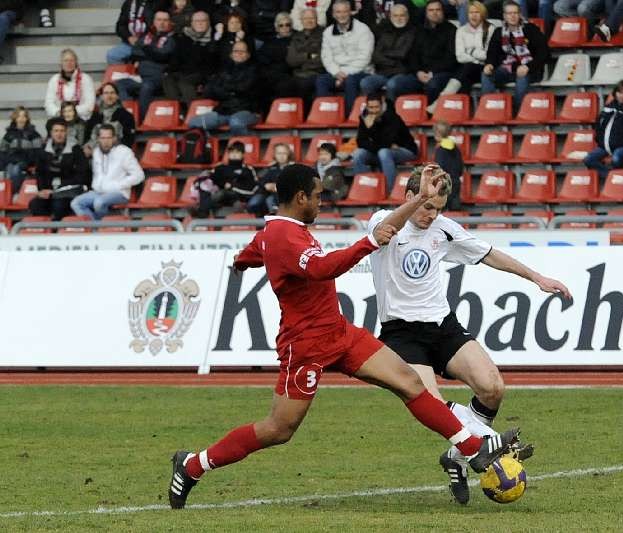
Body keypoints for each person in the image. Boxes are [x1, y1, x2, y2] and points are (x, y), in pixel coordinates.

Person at [168, 163, 521, 510]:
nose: (322, 203)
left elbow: (255, 250)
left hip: (339, 332)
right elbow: (323, 268)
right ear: (301, 196)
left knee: (410, 382)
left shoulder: (277, 231)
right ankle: (193, 464)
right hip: (305, 345)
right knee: (279, 429)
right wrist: (368, 242)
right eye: (318, 196)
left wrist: (239, 262)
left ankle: (473, 447)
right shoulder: (285, 236)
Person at [366, 166, 570, 505]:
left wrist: (536, 277)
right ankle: (488, 440)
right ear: (409, 198)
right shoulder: (382, 222)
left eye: (439, 208)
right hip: (402, 333)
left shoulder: (444, 230)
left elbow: (488, 254)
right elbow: (386, 228)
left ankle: (457, 457)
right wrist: (418, 199)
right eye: (427, 206)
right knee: (430, 403)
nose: (432, 215)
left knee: (492, 387)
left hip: (442, 326)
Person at [388, 0, 458, 109]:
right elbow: (412, 56)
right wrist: (418, 72)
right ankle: (393, 115)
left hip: (441, 73)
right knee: (394, 84)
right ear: (426, 13)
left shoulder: (452, 30)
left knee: (433, 85)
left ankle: (427, 114)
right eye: (431, 10)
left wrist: (433, 73)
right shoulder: (419, 30)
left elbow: (451, 58)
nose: (434, 13)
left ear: (443, 12)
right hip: (419, 74)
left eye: (438, 10)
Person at [482, 0, 548, 110]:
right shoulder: (499, 32)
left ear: (520, 14)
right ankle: (488, 109)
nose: (512, 16)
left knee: (522, 76)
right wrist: (489, 64)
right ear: (504, 16)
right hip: (508, 69)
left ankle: (517, 112)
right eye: (509, 13)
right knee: (486, 74)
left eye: (515, 13)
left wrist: (528, 67)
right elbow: (492, 53)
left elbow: (544, 53)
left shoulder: (531, 29)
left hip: (531, 69)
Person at [71, 125, 144, 220]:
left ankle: (98, 228)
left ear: (114, 138)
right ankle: (96, 229)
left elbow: (139, 175)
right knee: (76, 203)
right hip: (98, 192)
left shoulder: (124, 152)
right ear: (98, 139)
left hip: (119, 193)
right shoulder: (96, 152)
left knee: (99, 202)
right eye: (103, 138)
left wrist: (119, 185)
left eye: (109, 138)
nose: (106, 141)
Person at [116, 10, 176, 122]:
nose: (162, 23)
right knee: (120, 83)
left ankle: (142, 121)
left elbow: (162, 56)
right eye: (159, 20)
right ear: (154, 21)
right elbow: (135, 53)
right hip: (140, 76)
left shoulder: (172, 39)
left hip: (158, 78)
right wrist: (151, 52)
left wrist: (146, 50)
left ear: (169, 22)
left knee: (146, 87)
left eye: (165, 20)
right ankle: (128, 114)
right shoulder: (146, 36)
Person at [189, 40, 260, 135]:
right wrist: (230, 90)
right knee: (194, 122)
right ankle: (210, 144)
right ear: (231, 54)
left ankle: (246, 143)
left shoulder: (255, 70)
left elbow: (243, 88)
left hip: (247, 111)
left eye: (242, 51)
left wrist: (224, 88)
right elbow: (210, 92)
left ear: (248, 55)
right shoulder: (223, 70)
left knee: (236, 122)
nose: (238, 53)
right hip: (224, 111)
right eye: (236, 51)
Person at [317, 0, 375, 114]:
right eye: (338, 12)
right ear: (333, 14)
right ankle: (327, 115)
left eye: (345, 12)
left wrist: (343, 74)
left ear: (351, 12)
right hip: (337, 73)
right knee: (321, 80)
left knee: (350, 81)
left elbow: (364, 58)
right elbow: (326, 57)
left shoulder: (363, 30)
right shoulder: (327, 32)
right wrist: (336, 73)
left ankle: (350, 116)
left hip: (362, 71)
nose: (341, 15)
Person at [353, 92, 418, 192]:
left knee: (384, 152)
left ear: (382, 105)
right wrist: (378, 145)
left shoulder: (392, 116)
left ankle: (390, 191)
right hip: (381, 151)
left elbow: (387, 141)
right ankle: (365, 188)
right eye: (371, 107)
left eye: (376, 107)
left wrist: (371, 128)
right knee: (358, 154)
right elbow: (361, 142)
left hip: (406, 150)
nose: (374, 111)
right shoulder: (365, 117)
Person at [30, 118, 90, 221]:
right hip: (49, 191)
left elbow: (81, 175)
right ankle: (44, 231)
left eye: (62, 131)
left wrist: (57, 188)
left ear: (66, 132)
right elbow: (40, 173)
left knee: (58, 205)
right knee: (35, 204)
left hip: (68, 191)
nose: (59, 134)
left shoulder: (76, 150)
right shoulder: (43, 149)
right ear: (51, 133)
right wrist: (42, 190)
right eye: (56, 131)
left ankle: (56, 232)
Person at [583, 80, 623, 181]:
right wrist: (600, 140)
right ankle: (611, 177)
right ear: (615, 93)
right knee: (588, 159)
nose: (622, 96)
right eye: (620, 92)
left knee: (616, 159)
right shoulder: (607, 108)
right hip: (605, 146)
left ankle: (620, 179)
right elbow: (598, 125)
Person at [358, 4, 416, 100]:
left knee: (392, 84)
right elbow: (376, 55)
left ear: (407, 16)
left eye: (402, 15)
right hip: (384, 72)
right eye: (395, 16)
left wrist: (384, 54)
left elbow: (402, 53)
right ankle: (373, 109)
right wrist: (393, 62)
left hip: (404, 73)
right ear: (390, 17)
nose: (399, 18)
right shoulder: (385, 32)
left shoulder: (413, 32)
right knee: (366, 82)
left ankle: (390, 112)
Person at [163, 10, 218, 111]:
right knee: (168, 79)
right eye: (197, 21)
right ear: (192, 23)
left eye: (203, 21)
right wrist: (169, 70)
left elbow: (212, 63)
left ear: (208, 22)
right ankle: (178, 111)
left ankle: (193, 112)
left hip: (202, 73)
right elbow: (176, 57)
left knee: (185, 82)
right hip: (184, 71)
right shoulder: (184, 37)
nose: (200, 23)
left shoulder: (214, 39)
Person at [191, 141, 260, 217]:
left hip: (238, 197)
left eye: (237, 152)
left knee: (236, 204)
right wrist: (223, 183)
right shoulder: (221, 167)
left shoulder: (248, 170)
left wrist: (232, 186)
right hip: (220, 197)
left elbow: (252, 188)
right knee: (211, 190)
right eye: (231, 152)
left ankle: (201, 212)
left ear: (243, 154)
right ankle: (203, 213)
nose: (234, 154)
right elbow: (213, 178)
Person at [282, 8, 324, 112]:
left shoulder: (324, 34)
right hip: (297, 74)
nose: (309, 21)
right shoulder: (296, 36)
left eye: (312, 18)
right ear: (301, 20)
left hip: (317, 73)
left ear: (317, 19)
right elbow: (291, 60)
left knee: (303, 86)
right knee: (283, 86)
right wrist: (308, 56)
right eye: (306, 18)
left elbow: (322, 59)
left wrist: (302, 62)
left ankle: (305, 119)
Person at [453, 1, 495, 98]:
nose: (474, 15)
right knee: (466, 76)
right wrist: (476, 58)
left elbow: (488, 55)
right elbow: (459, 57)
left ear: (482, 14)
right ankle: (462, 108)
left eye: (477, 12)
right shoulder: (461, 30)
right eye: (471, 12)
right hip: (468, 69)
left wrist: (470, 51)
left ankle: (445, 98)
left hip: (485, 68)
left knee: (465, 71)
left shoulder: (490, 29)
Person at [255, 11, 294, 107]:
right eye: (281, 25)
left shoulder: (295, 39)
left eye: (287, 25)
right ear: (277, 28)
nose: (284, 28)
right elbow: (260, 57)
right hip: (270, 72)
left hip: (286, 72)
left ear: (291, 26)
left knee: (283, 84)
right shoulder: (271, 41)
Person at [44, 49, 95, 122]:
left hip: (81, 119)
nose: (69, 63)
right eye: (66, 60)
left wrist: (72, 112)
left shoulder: (85, 79)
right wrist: (61, 113)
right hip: (59, 119)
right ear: (61, 63)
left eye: (72, 60)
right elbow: (48, 103)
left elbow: (90, 104)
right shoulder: (54, 80)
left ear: (76, 63)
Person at [84, 82, 137, 153]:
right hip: (94, 151)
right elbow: (87, 136)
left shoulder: (126, 116)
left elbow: (128, 141)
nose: (109, 96)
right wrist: (87, 147)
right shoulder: (95, 115)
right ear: (102, 96)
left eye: (112, 93)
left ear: (117, 96)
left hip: (116, 152)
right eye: (106, 93)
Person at [0, 106, 43, 193]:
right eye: (19, 116)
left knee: (15, 170)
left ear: (27, 118)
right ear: (15, 118)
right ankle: (6, 196)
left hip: (27, 161)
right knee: (11, 168)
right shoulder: (9, 134)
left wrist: (30, 162)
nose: (21, 119)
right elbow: (3, 151)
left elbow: (38, 152)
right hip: (11, 161)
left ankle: (14, 193)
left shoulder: (34, 134)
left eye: (24, 116)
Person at [107, 0, 162, 64]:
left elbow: (158, 27)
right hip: (130, 43)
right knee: (112, 55)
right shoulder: (128, 3)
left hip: (149, 45)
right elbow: (120, 26)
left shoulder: (158, 4)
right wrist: (129, 37)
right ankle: (123, 74)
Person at [250, 142, 294, 215]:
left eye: (284, 153)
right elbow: (260, 180)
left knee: (270, 200)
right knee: (254, 202)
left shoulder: (294, 168)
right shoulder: (271, 167)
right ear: (275, 155)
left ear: (289, 154)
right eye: (279, 153)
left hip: (285, 196)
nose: (281, 156)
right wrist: (266, 185)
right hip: (268, 193)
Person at [432, 120, 462, 210]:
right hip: (455, 181)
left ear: (437, 134)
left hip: (444, 183)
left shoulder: (440, 149)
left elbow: (439, 167)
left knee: (442, 208)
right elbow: (460, 166)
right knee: (455, 208)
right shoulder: (455, 147)